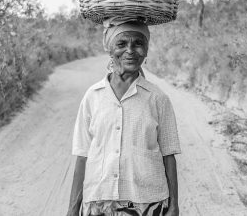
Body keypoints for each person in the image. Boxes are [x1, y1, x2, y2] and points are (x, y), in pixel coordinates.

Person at [67, 17, 182, 216]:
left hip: (148, 203)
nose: (130, 50)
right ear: (110, 49)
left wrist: (173, 206)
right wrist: (72, 208)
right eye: (121, 43)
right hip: (99, 202)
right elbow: (82, 155)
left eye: (138, 43)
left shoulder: (158, 99)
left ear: (146, 50)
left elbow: (168, 155)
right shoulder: (92, 96)